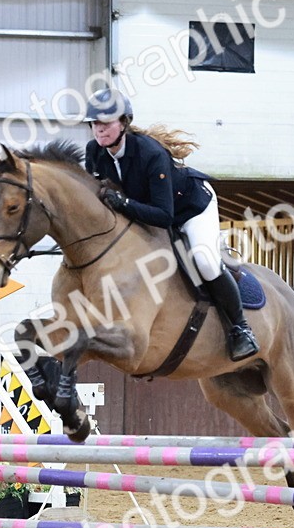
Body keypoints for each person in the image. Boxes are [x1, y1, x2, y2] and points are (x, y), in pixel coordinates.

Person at [82, 88, 259, 362]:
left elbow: (165, 215)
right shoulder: (94, 152)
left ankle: (241, 329)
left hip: (190, 208)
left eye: (106, 122)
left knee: (205, 261)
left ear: (124, 123)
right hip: (146, 211)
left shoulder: (150, 153)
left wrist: (123, 203)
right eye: (95, 123)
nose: (99, 129)